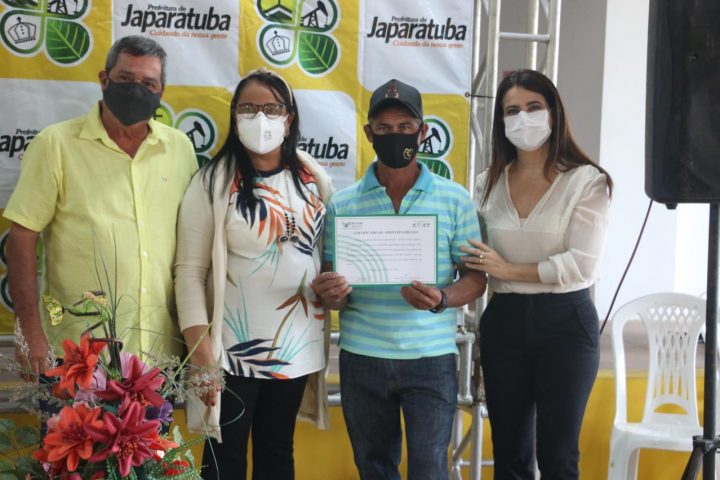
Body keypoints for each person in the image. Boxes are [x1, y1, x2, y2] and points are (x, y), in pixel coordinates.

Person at [311, 78, 486, 480]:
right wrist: (331, 294)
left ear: (423, 132)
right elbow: (333, 286)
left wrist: (442, 298)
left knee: (429, 469)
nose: (396, 135)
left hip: (431, 358)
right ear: (368, 133)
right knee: (373, 467)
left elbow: (476, 279)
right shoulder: (342, 204)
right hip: (362, 356)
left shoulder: (454, 198)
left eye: (405, 126)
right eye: (385, 128)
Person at [4, 35, 197, 379]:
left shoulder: (180, 149)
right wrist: (29, 332)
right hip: (75, 356)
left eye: (148, 83)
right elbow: (21, 238)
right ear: (104, 80)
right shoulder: (56, 144)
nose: (136, 89)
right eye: (125, 78)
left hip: (158, 355)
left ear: (161, 92)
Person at [174, 67, 334, 480]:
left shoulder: (312, 177)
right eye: (248, 108)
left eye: (272, 108)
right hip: (230, 351)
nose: (261, 118)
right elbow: (189, 273)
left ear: (289, 118)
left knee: (277, 451)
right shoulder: (213, 182)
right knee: (223, 457)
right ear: (234, 116)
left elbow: (324, 253)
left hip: (295, 347)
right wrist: (202, 356)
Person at [461, 69, 613, 479]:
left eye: (533, 107)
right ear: (501, 121)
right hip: (504, 320)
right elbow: (472, 253)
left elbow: (582, 265)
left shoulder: (587, 181)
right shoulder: (486, 184)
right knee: (509, 454)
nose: (522, 118)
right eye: (512, 111)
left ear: (553, 113)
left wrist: (508, 269)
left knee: (558, 455)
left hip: (566, 323)